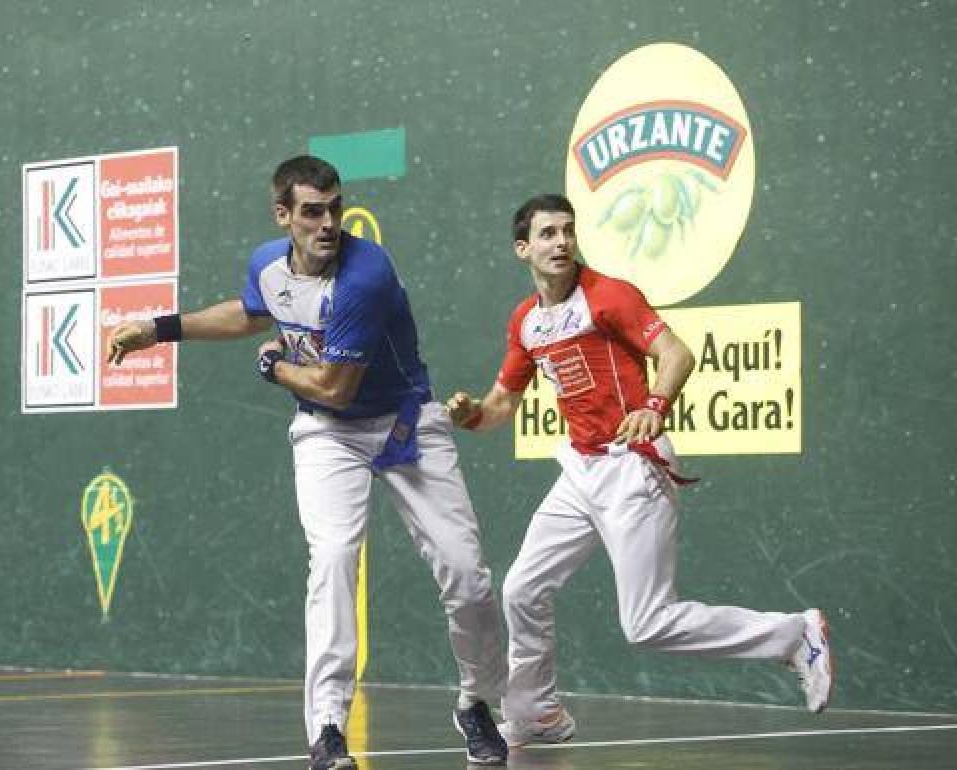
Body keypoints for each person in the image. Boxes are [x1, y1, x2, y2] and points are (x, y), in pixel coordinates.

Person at [107, 156, 510, 769]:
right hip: (328, 436)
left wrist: (274, 366)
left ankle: (477, 701)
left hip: (403, 422)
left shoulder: (366, 274)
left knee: (467, 574)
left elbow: (334, 387)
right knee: (333, 559)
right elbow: (251, 313)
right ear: (284, 215)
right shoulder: (267, 264)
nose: (328, 223)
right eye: (313, 212)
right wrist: (158, 330)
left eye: (335, 209)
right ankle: (327, 728)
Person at [445, 193, 834, 749]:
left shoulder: (609, 295)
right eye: (548, 234)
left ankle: (795, 635)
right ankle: (536, 715)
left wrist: (654, 405)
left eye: (568, 231)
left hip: (634, 466)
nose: (562, 242)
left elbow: (677, 354)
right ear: (522, 249)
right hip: (581, 471)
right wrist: (470, 415)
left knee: (647, 622)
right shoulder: (526, 322)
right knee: (523, 588)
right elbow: (501, 403)